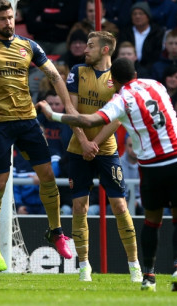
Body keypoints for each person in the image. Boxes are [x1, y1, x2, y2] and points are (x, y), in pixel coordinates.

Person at [38, 57, 177, 292]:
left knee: (144, 217)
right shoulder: (156, 85)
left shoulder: (122, 98)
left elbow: (91, 119)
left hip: (141, 161)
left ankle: (143, 273)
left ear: (114, 79)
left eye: (91, 45)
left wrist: (53, 116)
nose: (87, 50)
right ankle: (175, 271)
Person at [0, 0, 74, 274]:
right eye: (2, 19)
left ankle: (56, 231)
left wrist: (69, 107)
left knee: (47, 175)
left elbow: (55, 76)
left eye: (11, 17)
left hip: (27, 121)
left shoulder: (29, 46)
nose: (8, 22)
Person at [63, 31, 142, 283]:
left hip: (105, 150)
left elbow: (119, 117)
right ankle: (84, 266)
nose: (85, 50)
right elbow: (71, 109)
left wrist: (94, 143)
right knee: (79, 207)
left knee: (119, 206)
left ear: (105, 50)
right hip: (78, 148)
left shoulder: (116, 78)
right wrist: (84, 141)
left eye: (90, 46)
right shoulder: (77, 71)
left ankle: (134, 266)